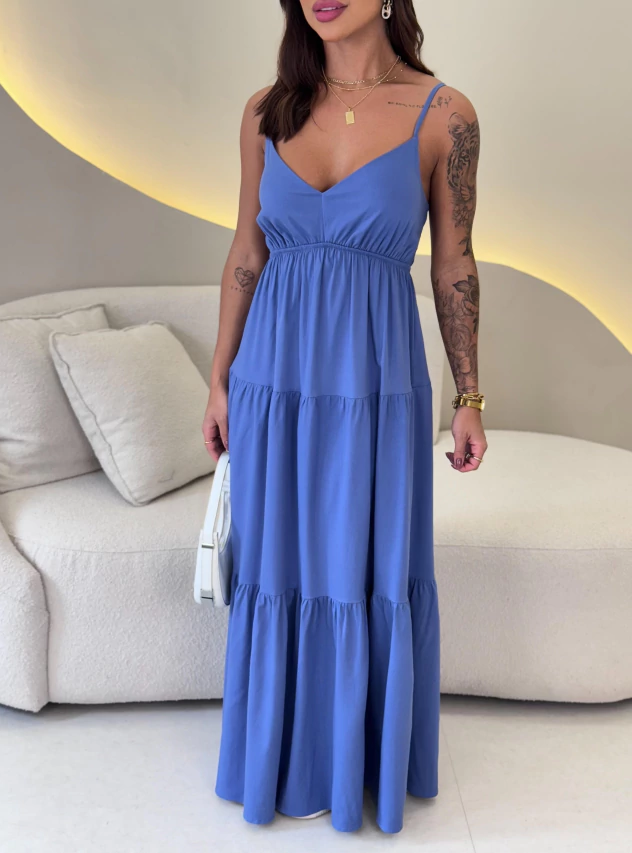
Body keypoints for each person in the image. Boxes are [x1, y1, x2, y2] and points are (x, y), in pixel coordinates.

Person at [202, 0, 487, 835]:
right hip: (272, 383)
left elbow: (454, 265)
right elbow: (246, 251)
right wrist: (219, 380)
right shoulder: (266, 110)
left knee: (367, 567)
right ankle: (282, 757)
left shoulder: (446, 115)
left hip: (376, 386)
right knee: (278, 567)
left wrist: (470, 397)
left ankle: (360, 760)